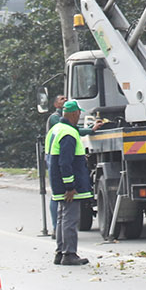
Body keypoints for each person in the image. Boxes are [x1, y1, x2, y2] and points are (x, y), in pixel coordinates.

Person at [46, 100, 93, 266]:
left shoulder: (56, 129)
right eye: (79, 113)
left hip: (57, 181)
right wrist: (70, 186)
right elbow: (65, 163)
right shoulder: (68, 133)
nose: (80, 115)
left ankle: (60, 253)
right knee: (70, 219)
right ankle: (69, 254)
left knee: (62, 217)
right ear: (75, 114)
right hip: (67, 185)